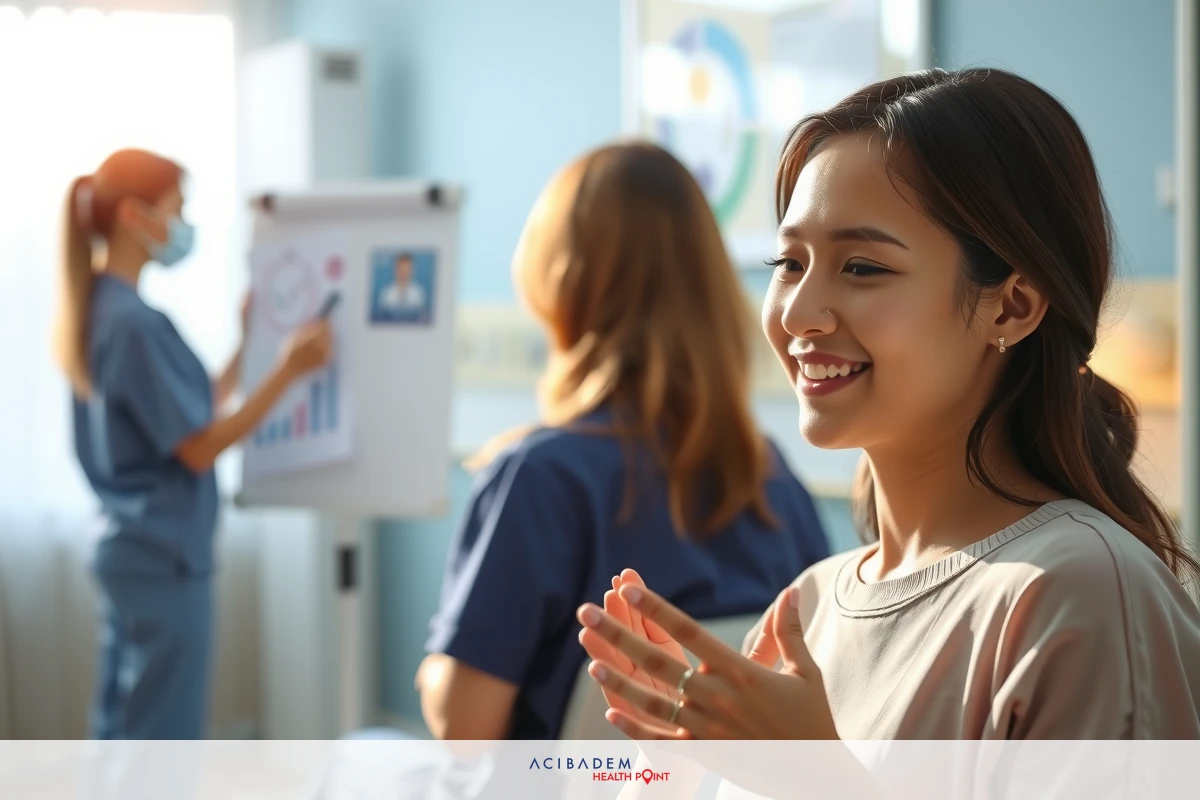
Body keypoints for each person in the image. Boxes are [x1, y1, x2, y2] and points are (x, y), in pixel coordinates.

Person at [577, 68, 1200, 744]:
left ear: (1014, 306)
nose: (800, 315)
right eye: (787, 264)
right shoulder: (808, 607)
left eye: (863, 267)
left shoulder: (1081, 594)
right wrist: (678, 775)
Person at [415, 142, 830, 740]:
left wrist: (435, 670)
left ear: (562, 284)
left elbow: (464, 729)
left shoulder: (538, 478)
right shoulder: (772, 477)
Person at [54, 149, 333, 739]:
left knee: (124, 722)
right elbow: (199, 446)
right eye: (176, 209)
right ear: (135, 215)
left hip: (129, 548)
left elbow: (191, 404)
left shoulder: (100, 312)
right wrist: (288, 370)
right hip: (164, 556)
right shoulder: (135, 324)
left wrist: (245, 343)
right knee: (163, 733)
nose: (183, 226)